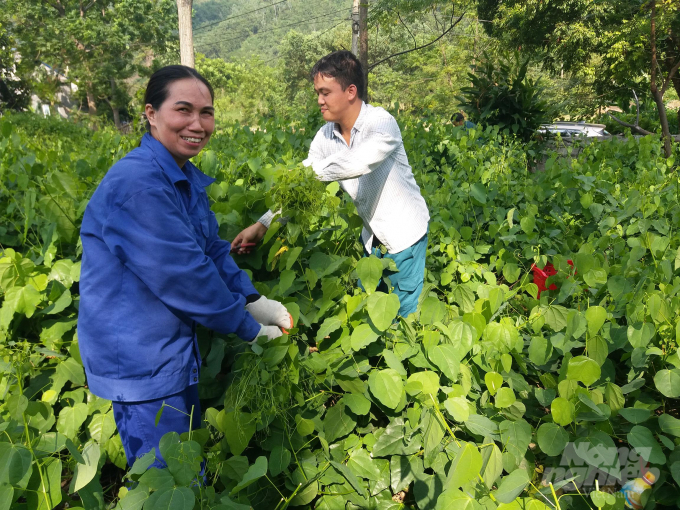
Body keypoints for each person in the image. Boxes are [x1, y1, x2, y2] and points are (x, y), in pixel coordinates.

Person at [78, 65, 291, 469]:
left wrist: (253, 298)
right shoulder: (139, 184)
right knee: (167, 477)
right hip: (139, 359)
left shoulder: (180, 174)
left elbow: (210, 248)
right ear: (151, 113)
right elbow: (185, 275)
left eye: (206, 112)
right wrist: (249, 330)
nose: (198, 123)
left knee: (185, 464)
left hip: (169, 347)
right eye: (183, 110)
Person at [232, 51, 429, 317]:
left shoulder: (381, 122)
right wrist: (262, 225)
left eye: (325, 92)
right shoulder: (325, 137)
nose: (319, 100)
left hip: (404, 235)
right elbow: (301, 189)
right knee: (369, 311)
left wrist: (305, 173)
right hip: (372, 238)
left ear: (350, 91)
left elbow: (357, 162)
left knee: (402, 319)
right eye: (317, 93)